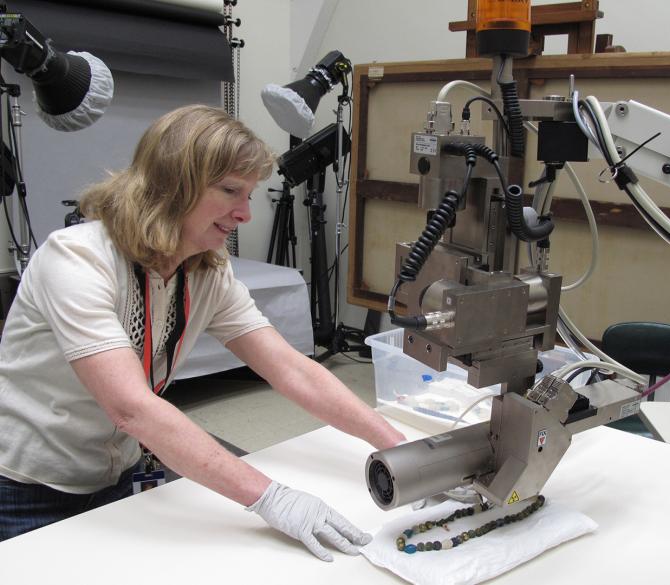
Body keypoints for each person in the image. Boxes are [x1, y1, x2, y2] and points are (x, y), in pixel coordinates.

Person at [0, 104, 405, 561]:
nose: (246, 214)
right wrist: (270, 496)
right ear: (172, 184)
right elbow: (131, 407)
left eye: (250, 194)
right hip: (26, 488)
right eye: (231, 190)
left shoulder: (206, 271)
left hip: (117, 473)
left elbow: (293, 369)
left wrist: (400, 447)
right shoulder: (78, 260)